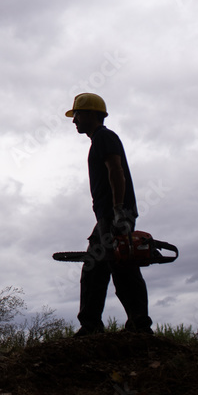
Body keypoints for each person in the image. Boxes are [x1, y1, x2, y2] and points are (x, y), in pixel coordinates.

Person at [66, 93, 153, 336]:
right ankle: (91, 325)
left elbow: (116, 171)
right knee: (95, 266)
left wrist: (119, 213)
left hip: (114, 215)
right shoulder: (99, 140)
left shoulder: (105, 137)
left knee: (123, 266)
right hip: (105, 217)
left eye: (78, 115)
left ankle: (139, 326)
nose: (75, 121)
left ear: (93, 114)